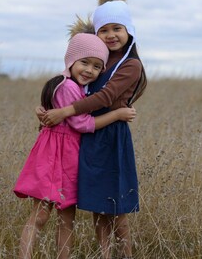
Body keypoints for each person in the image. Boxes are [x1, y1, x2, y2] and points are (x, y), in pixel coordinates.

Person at [38, 0, 147, 258]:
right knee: (98, 206)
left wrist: (65, 112)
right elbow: (70, 87)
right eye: (104, 30)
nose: (111, 35)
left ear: (129, 31)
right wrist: (48, 108)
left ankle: (126, 254)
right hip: (88, 135)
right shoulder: (96, 60)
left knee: (116, 206)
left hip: (112, 137)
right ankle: (105, 254)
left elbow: (106, 97)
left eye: (117, 29)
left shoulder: (131, 64)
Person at [13, 32, 137, 259]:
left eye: (97, 66)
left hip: (68, 158)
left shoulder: (75, 87)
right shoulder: (68, 86)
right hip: (54, 158)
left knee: (65, 217)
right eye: (84, 63)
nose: (90, 70)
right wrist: (117, 114)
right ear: (71, 60)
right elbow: (81, 124)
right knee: (43, 216)